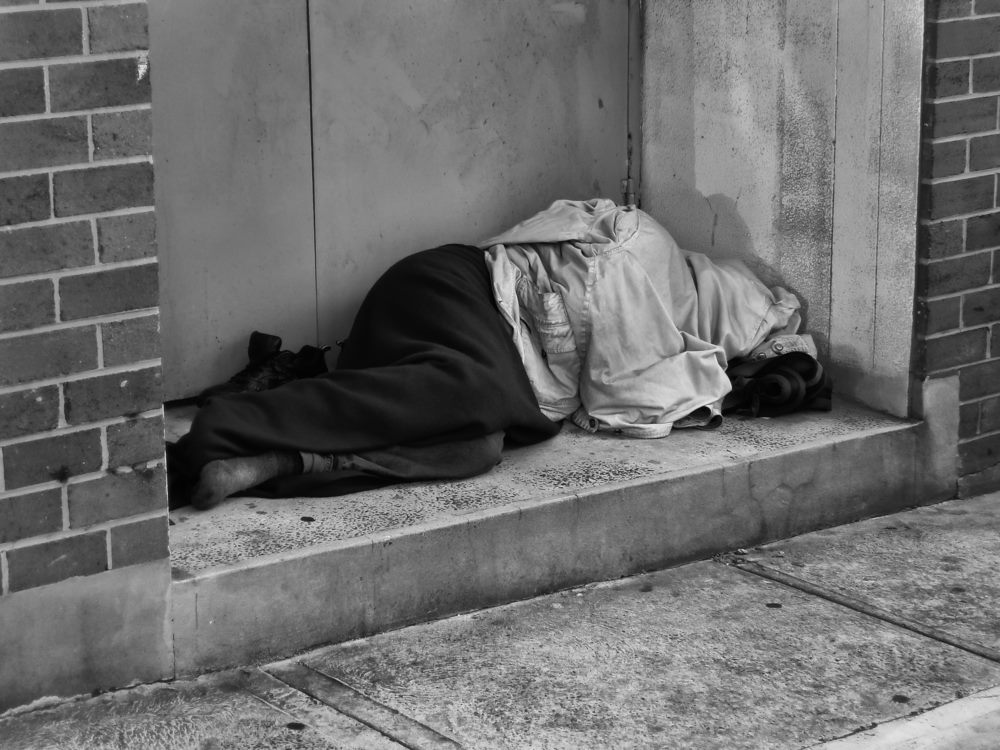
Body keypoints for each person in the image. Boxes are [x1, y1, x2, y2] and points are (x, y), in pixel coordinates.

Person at [169, 199, 801, 510]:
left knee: (479, 448)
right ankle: (227, 429)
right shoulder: (638, 244)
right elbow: (626, 379)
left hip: (494, 356)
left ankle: (281, 461)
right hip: (452, 290)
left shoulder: (687, 332)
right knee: (471, 391)